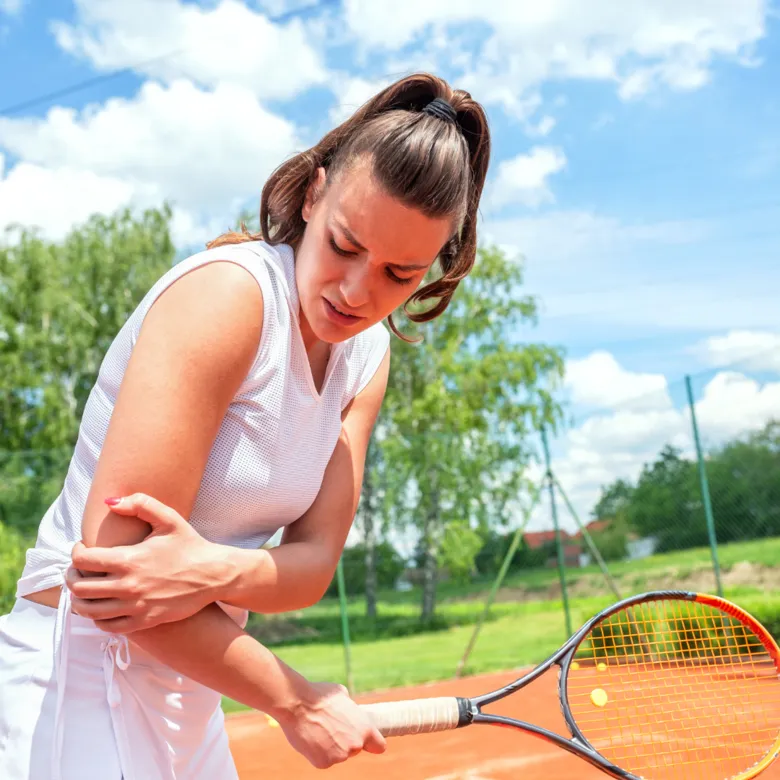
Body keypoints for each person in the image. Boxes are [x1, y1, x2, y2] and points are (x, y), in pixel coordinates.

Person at [0, 72, 491, 779]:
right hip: (73, 676)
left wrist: (209, 568)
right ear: (314, 193)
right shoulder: (229, 298)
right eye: (345, 245)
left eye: (398, 273)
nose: (357, 292)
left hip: (191, 692)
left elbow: (313, 565)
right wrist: (295, 701)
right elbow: (114, 585)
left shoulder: (367, 355)